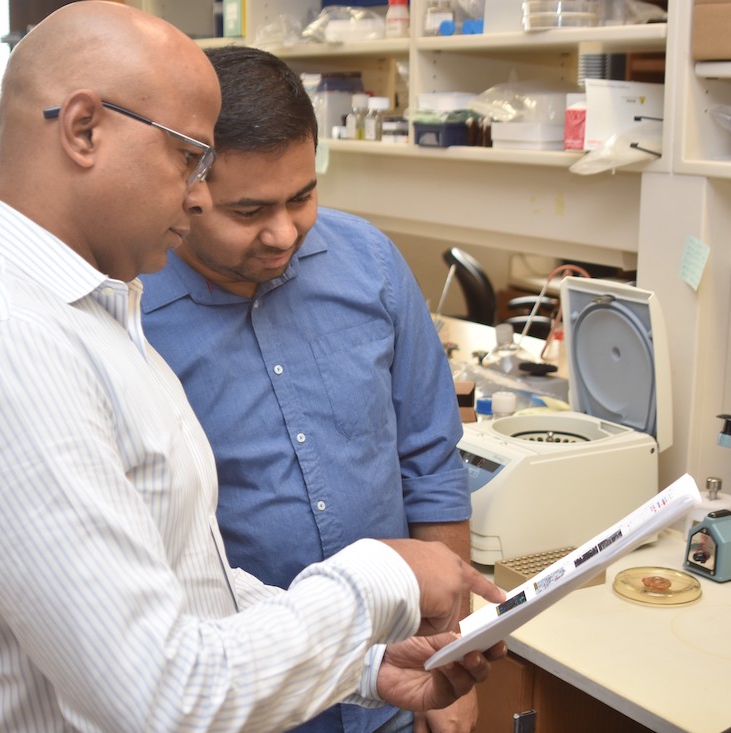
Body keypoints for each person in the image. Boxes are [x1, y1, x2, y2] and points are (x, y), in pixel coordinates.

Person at [0, 3, 504, 731]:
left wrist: (361, 663)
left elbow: (189, 588)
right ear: (83, 129)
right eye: (187, 157)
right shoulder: (0, 343)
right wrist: (387, 574)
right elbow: (157, 693)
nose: (198, 194)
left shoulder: (93, 313)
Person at [141, 46, 479, 733]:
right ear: (185, 185)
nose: (283, 232)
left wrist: (456, 652)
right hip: (244, 702)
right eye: (249, 209)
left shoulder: (372, 266)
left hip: (397, 680)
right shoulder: (129, 314)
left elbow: (432, 466)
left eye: (302, 196)